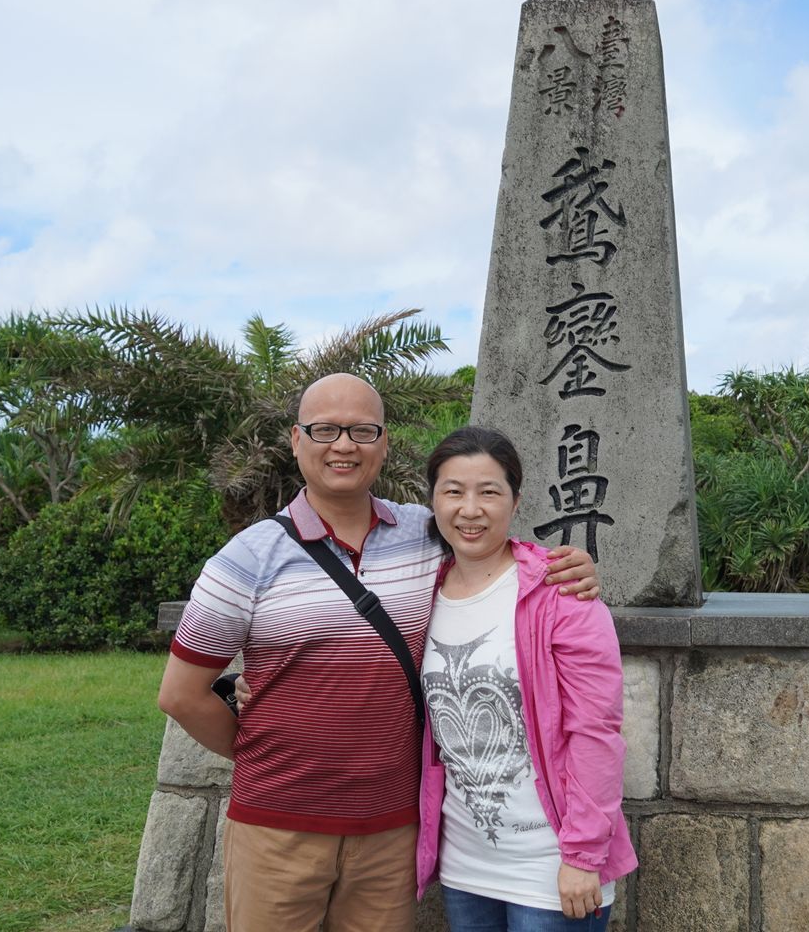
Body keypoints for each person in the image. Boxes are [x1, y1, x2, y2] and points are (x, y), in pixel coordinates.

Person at [156, 374, 598, 932]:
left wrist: (567, 566)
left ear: (384, 443)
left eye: (362, 431)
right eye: (325, 430)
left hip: (391, 833)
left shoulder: (425, 535)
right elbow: (181, 694)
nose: (344, 445)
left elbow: (490, 548)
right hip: (278, 827)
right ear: (296, 439)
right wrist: (264, 752)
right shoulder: (245, 558)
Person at [415, 427, 636, 931]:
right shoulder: (422, 591)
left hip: (551, 863)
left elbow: (596, 732)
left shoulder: (559, 591)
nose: (470, 509)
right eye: (453, 491)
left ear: (516, 501)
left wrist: (582, 855)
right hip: (464, 864)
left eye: (489, 492)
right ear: (433, 500)